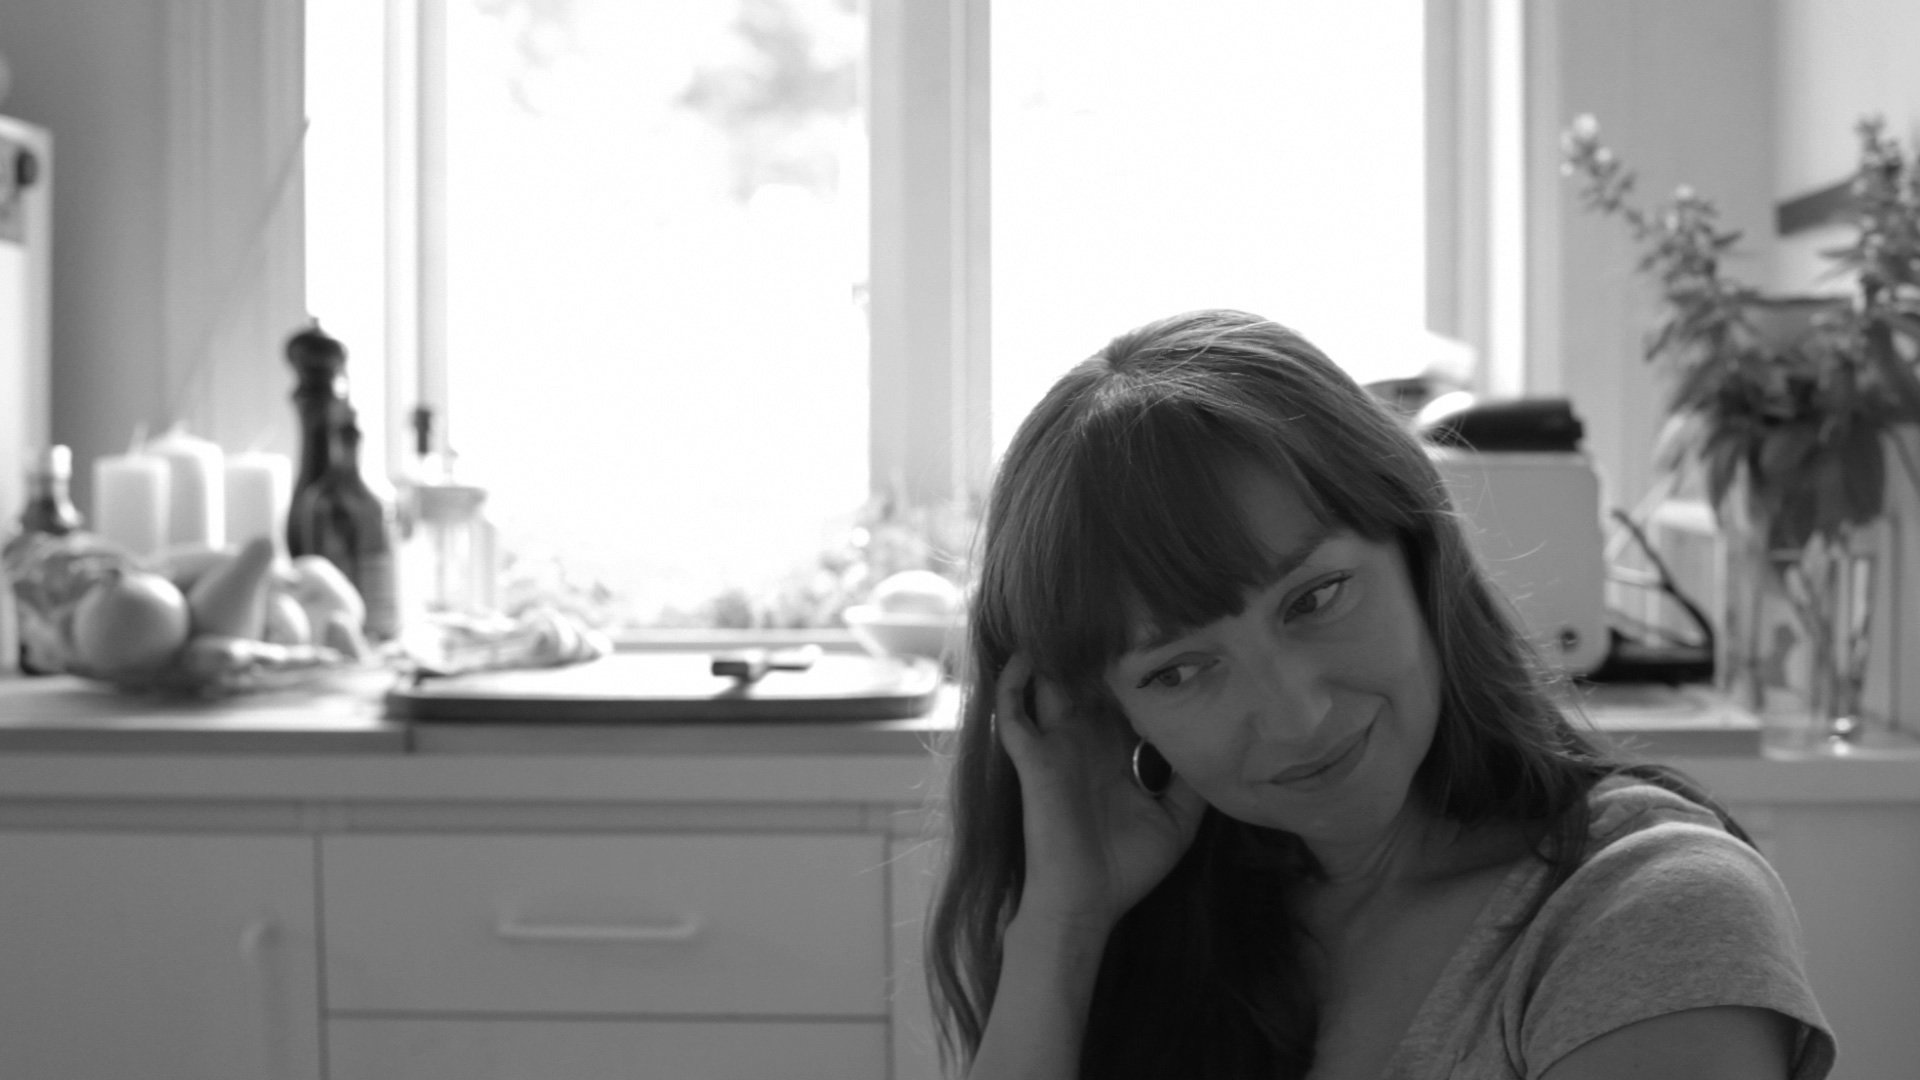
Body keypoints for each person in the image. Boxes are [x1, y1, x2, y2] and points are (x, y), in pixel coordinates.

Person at [923, 310, 1835, 1080]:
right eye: (1179, 671)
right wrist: (1064, 923)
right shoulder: (1154, 930)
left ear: (1417, 553)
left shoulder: (1642, 912)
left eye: (1315, 599)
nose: (1295, 715)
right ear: (1113, 714)